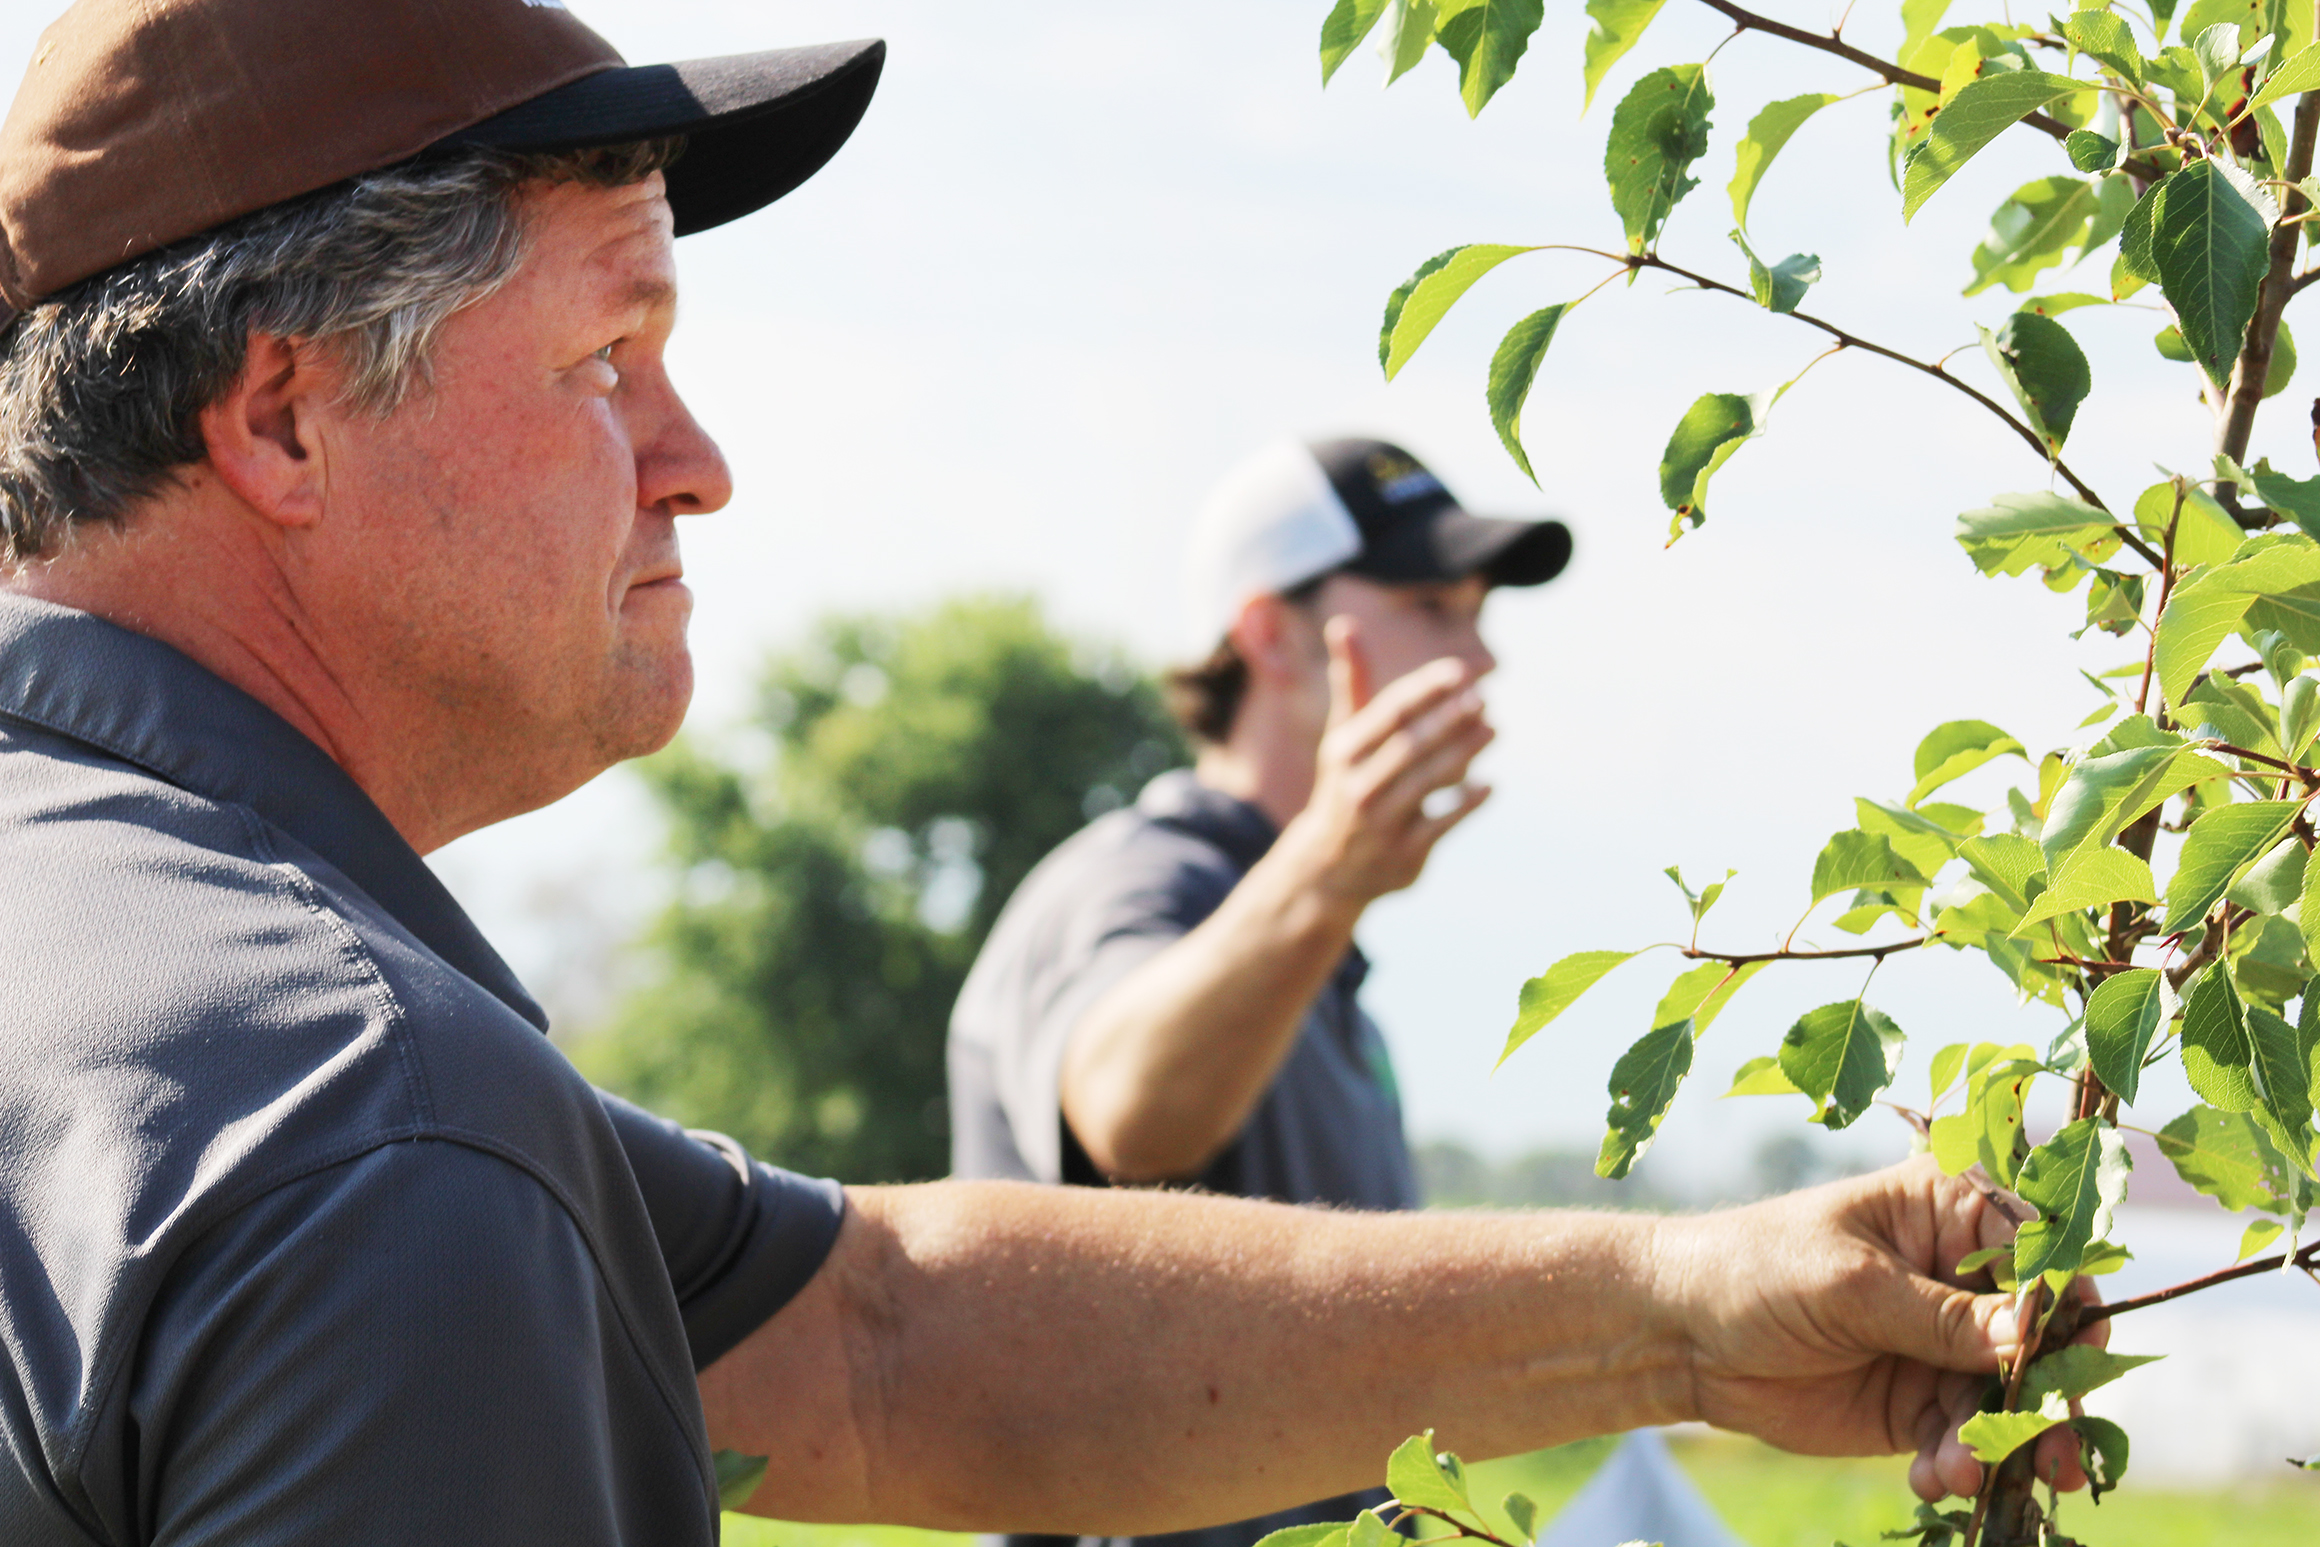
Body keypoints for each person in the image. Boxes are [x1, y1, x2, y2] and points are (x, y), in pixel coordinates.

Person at [0, 2, 2085, 1541]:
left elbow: (882, 1336)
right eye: (602, 358)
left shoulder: (167, 982)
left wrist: (1692, 1307)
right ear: (276, 422)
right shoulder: (371, 1129)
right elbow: (1111, 1110)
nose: (696, 457)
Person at [946, 437, 1562, 1547]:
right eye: (1431, 602)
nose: (1478, 656)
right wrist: (1327, 868)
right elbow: (1132, 1114)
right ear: (1269, 634)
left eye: (1479, 612)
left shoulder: (1323, 961)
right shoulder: (1137, 879)